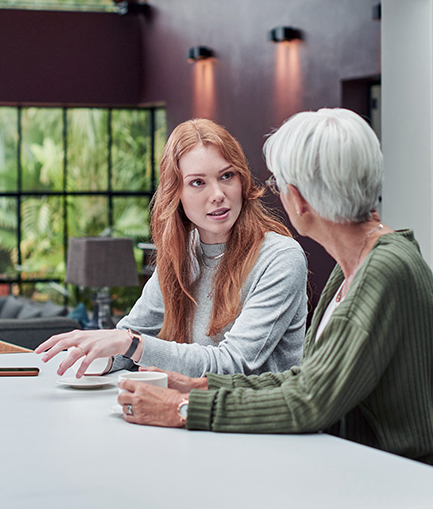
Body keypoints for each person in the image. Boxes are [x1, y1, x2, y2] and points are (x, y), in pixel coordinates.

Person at [114, 108, 433, 466]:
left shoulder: (385, 271)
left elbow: (310, 401)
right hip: (345, 464)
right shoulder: (357, 265)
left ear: (299, 199)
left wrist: (184, 407)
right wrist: (202, 386)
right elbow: (307, 380)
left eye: (278, 186)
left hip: (387, 477)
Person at [36, 118, 308, 379]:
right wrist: (93, 358)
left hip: (252, 411)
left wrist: (130, 343)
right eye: (198, 182)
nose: (217, 195)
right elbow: (132, 336)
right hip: (185, 406)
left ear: (243, 180)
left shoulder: (280, 257)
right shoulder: (183, 252)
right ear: (175, 193)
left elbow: (234, 364)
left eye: (227, 176)